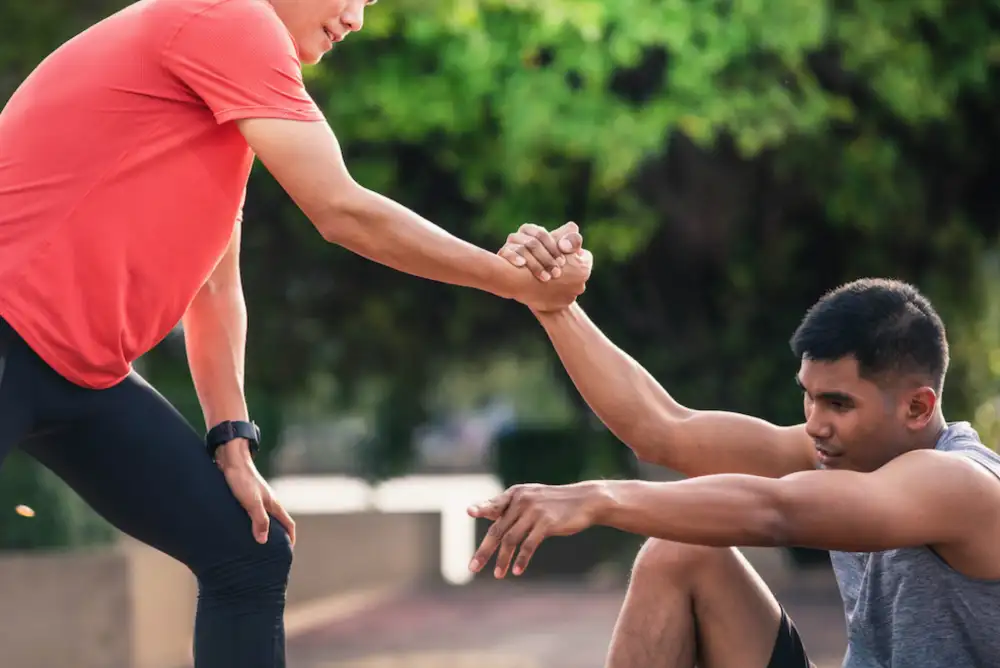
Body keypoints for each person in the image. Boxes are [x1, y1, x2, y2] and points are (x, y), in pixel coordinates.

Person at [0, 0, 590, 666]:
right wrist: (510, 280)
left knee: (245, 549)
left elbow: (217, 288)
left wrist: (233, 443)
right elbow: (340, 210)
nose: (358, 18)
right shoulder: (229, 16)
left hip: (80, 375)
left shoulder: (231, 77)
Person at [469, 243, 1000, 668]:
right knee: (678, 552)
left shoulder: (960, 484)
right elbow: (663, 431)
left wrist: (599, 498)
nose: (815, 423)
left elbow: (776, 511)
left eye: (838, 403)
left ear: (917, 406)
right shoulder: (841, 450)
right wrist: (554, 305)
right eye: (809, 395)